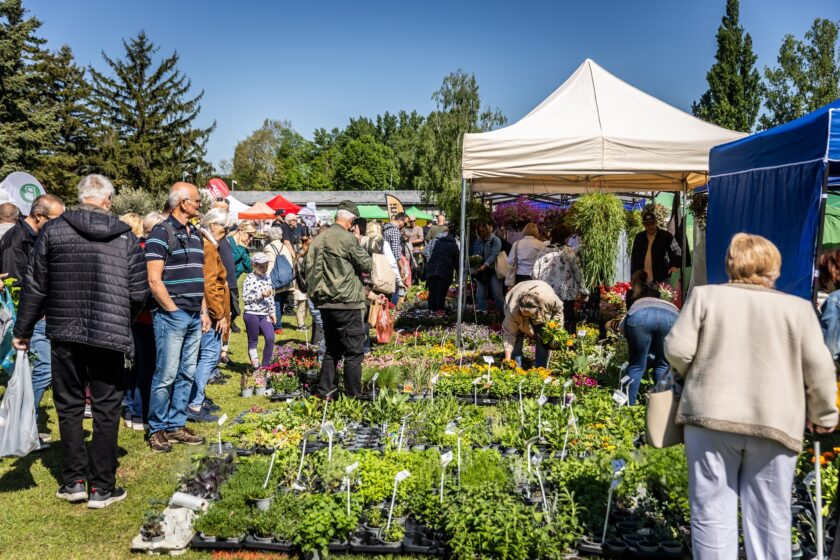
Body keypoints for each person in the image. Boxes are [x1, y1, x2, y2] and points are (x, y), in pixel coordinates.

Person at [664, 233, 838, 559]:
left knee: (712, 513)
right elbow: (820, 368)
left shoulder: (705, 298)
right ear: (774, 269)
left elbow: (676, 349)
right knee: (771, 517)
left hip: (709, 418)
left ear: (731, 265)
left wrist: (699, 375)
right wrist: (823, 415)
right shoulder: (798, 309)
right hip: (775, 422)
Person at [13, 174, 148, 508]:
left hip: (65, 331)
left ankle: (75, 480)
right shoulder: (125, 237)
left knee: (70, 405)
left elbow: (35, 286)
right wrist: (122, 320)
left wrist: (23, 330)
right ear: (107, 200)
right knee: (106, 407)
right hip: (106, 333)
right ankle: (101, 487)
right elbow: (138, 293)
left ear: (82, 197)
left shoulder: (53, 231)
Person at [145, 182, 210, 453]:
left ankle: (176, 424)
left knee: (186, 372)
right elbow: (153, 278)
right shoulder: (161, 232)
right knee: (167, 373)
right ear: (182, 202)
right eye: (196, 201)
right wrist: (171, 310)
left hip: (195, 314)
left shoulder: (195, 233)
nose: (199, 205)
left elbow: (199, 277)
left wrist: (204, 310)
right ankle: (157, 428)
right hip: (173, 315)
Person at [0, 193, 65, 439]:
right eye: (55, 219)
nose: (59, 225)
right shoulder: (18, 241)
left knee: (33, 370)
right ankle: (23, 423)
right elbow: (17, 286)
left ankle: (21, 421)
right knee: (43, 368)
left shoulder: (32, 237)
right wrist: (34, 318)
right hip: (30, 319)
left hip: (36, 317)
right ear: (38, 215)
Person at [303, 200, 371, 398]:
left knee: (333, 348)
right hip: (346, 301)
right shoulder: (347, 239)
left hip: (324, 302)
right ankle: (352, 397)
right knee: (354, 352)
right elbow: (366, 264)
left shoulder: (318, 239)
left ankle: (325, 392)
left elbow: (304, 269)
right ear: (352, 219)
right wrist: (358, 241)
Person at [186, 208, 230, 423]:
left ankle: (197, 398)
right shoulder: (208, 247)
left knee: (204, 355)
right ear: (213, 225)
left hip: (206, 309)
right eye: (225, 227)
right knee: (210, 355)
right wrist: (218, 314)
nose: (227, 231)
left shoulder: (206, 243)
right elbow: (210, 284)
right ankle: (194, 403)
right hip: (210, 312)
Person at [122, 212, 165, 431]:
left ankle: (130, 407)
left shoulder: (135, 249)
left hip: (136, 316)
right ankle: (139, 412)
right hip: (146, 316)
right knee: (147, 366)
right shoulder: (147, 252)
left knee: (137, 364)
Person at [616, 271, 679, 405]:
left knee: (636, 366)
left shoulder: (633, 302)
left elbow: (623, 328)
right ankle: (663, 407)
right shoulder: (658, 296)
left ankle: (628, 407)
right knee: (663, 365)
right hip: (672, 315)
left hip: (640, 315)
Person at [532, 224, 588, 331]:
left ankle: (548, 342)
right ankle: (567, 343)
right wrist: (583, 289)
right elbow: (577, 272)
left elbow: (534, 273)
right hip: (565, 293)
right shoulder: (569, 252)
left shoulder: (543, 251)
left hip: (546, 292)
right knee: (567, 317)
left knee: (547, 318)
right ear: (565, 238)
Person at [502, 280, 562, 368]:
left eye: (529, 316)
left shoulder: (549, 299)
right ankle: (515, 368)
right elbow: (509, 334)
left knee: (542, 339)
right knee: (516, 340)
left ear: (538, 309)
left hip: (542, 295)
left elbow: (559, 310)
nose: (526, 319)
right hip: (517, 292)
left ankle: (541, 369)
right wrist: (507, 359)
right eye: (524, 316)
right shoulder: (512, 310)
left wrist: (554, 328)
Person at [242, 252, 276, 368]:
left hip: (264, 313)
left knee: (270, 338)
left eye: (266, 266)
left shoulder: (267, 277)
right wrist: (260, 294)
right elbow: (246, 299)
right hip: (251, 313)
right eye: (261, 266)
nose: (264, 269)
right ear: (254, 265)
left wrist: (272, 312)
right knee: (253, 341)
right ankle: (256, 366)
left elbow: (271, 296)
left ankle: (266, 366)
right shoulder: (249, 279)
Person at [630, 210, 681, 283]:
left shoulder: (666, 236)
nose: (650, 226)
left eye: (652, 223)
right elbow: (634, 258)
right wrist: (633, 276)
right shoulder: (639, 237)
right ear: (643, 225)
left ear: (656, 222)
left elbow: (678, 251)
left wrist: (675, 265)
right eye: (647, 224)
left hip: (661, 278)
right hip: (641, 280)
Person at [265, 226, 294, 334]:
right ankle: (278, 324)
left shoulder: (269, 247)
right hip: (286, 280)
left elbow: (270, 264)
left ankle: (277, 326)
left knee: (275, 303)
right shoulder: (284, 247)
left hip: (276, 280)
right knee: (280, 303)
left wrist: (265, 279)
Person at [423, 226, 459, 311]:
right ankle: (439, 318)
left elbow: (425, 251)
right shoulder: (453, 245)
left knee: (432, 294)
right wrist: (461, 275)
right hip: (444, 273)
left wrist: (430, 261)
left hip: (431, 271)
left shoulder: (435, 240)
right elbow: (457, 262)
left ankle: (431, 316)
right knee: (440, 295)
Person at [471, 221, 505, 312]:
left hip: (493, 270)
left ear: (489, 228)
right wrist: (474, 265)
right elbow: (474, 254)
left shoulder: (495, 240)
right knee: (481, 294)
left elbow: (494, 254)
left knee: (497, 294)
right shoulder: (478, 241)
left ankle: (503, 313)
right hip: (480, 270)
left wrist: (485, 265)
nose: (482, 232)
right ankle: (482, 313)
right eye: (480, 231)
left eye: (484, 230)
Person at [382, 212, 408, 305]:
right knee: (397, 287)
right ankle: (394, 310)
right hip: (392, 263)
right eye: (405, 223)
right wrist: (401, 267)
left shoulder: (384, 228)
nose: (405, 226)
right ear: (400, 221)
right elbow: (395, 251)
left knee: (386, 288)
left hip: (383, 262)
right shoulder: (395, 231)